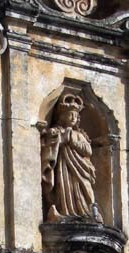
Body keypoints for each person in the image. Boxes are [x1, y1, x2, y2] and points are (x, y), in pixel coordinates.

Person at [40, 93, 102, 223]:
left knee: (84, 187)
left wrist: (73, 142)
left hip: (81, 168)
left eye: (75, 115)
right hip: (64, 166)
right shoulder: (57, 131)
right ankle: (64, 211)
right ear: (62, 116)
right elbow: (50, 146)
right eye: (70, 114)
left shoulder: (79, 134)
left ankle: (88, 212)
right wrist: (58, 139)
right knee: (64, 188)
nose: (73, 117)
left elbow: (88, 150)